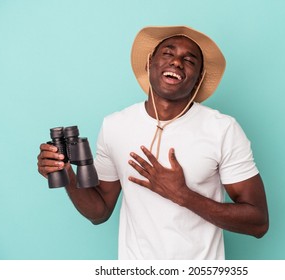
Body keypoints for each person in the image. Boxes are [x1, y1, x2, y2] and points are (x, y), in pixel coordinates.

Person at [37, 26, 269, 260]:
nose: (177, 62)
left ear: (198, 78)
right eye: (168, 53)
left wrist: (183, 195)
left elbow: (258, 222)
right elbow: (99, 212)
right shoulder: (115, 126)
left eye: (189, 60)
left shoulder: (222, 129)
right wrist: (67, 174)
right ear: (149, 63)